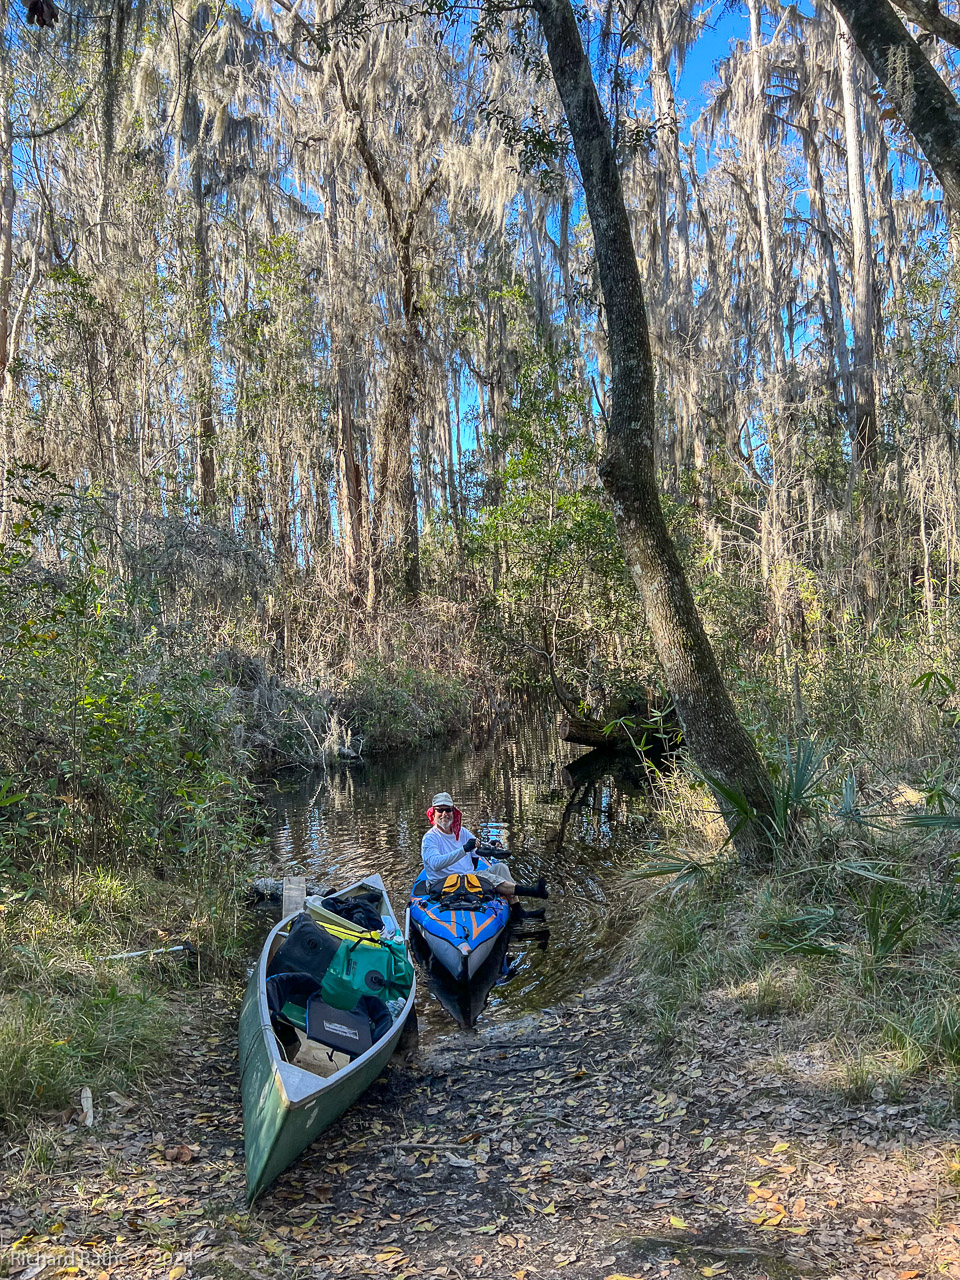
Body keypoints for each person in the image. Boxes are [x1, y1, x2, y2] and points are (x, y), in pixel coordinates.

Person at [420, 792, 548, 908]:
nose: (444, 814)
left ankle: (518, 910)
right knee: (488, 878)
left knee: (501, 868)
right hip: (445, 883)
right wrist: (464, 849)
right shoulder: (430, 838)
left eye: (448, 810)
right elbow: (435, 864)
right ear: (434, 813)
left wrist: (492, 846)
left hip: (467, 878)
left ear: (453, 812)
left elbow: (477, 847)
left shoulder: (461, 832)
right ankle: (533, 891)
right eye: (440, 810)